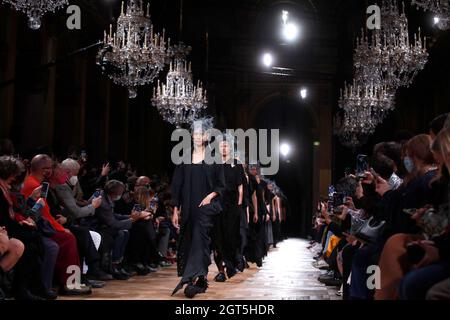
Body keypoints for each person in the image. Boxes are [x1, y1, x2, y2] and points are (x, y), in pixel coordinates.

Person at [21, 154, 91, 295]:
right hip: (36, 227)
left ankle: (73, 281)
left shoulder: (37, 183)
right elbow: (44, 215)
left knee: (72, 236)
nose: (50, 171)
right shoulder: (33, 185)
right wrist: (61, 229)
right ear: (42, 169)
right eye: (48, 168)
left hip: (41, 225)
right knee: (68, 239)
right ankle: (69, 284)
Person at [171, 118, 226, 298]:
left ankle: (193, 278)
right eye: (194, 133)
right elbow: (177, 184)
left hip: (206, 207)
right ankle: (200, 277)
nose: (197, 136)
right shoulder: (184, 157)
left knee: (199, 238)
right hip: (188, 206)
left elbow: (221, 184)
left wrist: (211, 196)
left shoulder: (213, 157)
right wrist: (175, 210)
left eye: (200, 133)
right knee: (190, 239)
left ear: (207, 136)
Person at [212, 134, 243, 282]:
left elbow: (240, 188)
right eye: (222, 145)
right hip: (217, 203)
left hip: (232, 206)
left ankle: (230, 263)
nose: (224, 147)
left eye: (226, 145)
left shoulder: (236, 164)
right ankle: (220, 271)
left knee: (230, 237)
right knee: (217, 237)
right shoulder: (214, 163)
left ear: (231, 147)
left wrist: (239, 206)